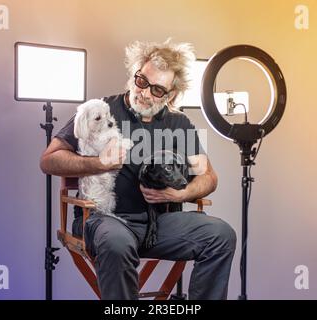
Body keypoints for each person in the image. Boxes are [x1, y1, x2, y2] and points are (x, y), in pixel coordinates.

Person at [40, 39, 236, 300]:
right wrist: (98, 164)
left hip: (161, 224)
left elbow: (209, 177)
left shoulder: (179, 124)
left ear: (171, 96)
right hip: (104, 220)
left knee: (221, 235)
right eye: (142, 81)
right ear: (134, 74)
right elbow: (49, 160)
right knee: (117, 244)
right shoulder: (101, 110)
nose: (144, 92)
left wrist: (180, 195)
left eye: (157, 90)